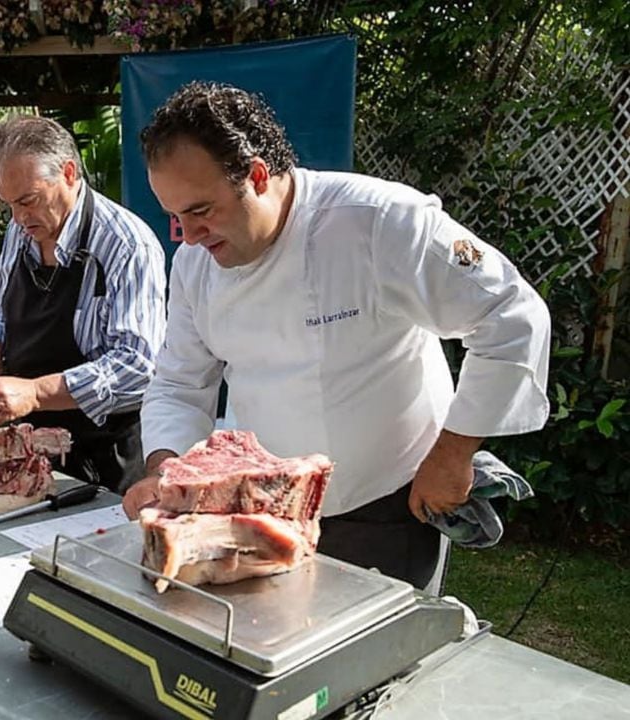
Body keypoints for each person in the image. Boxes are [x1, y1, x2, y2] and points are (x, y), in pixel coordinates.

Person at [122, 81, 551, 591]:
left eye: (200, 211)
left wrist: (453, 454)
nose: (188, 236)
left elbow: (511, 313)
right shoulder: (195, 265)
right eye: (175, 217)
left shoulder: (378, 221)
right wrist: (166, 470)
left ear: (257, 176)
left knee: (384, 660)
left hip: (390, 505)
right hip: (265, 512)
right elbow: (178, 384)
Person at [0, 115, 167, 492]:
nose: (20, 217)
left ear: (69, 173)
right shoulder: (21, 229)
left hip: (103, 452)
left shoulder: (126, 244)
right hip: (30, 443)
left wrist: (35, 392)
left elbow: (137, 366)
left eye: (29, 200)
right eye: (10, 205)